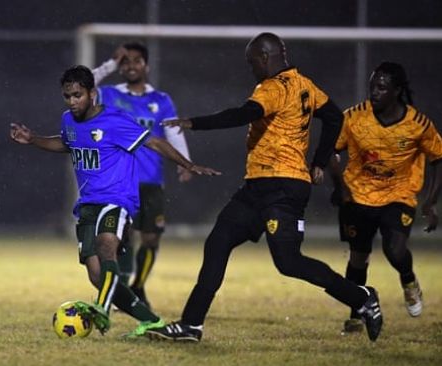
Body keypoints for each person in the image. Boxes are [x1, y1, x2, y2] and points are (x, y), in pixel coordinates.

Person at [145, 32, 384, 342]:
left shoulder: (272, 88)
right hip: (258, 187)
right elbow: (334, 117)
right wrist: (320, 162)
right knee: (218, 242)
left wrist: (194, 123)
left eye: (251, 62)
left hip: (283, 190)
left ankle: (361, 298)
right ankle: (191, 325)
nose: (250, 69)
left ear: (264, 57)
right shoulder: (305, 85)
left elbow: (244, 114)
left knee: (288, 261)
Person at [10, 65, 220, 337]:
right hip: (87, 205)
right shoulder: (68, 120)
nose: (73, 102)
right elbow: (66, 143)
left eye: (78, 95)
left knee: (107, 244)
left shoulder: (115, 120)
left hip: (118, 199)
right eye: (67, 96)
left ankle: (101, 310)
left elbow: (154, 143)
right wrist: (33, 140)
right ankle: (151, 321)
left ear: (92, 93)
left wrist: (187, 164)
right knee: (97, 275)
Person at [329, 61, 442, 333]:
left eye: (381, 87)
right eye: (372, 87)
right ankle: (357, 315)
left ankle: (409, 280)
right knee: (358, 258)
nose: (374, 92)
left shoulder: (417, 124)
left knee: (395, 249)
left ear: (397, 91)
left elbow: (438, 157)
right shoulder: (354, 117)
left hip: (398, 195)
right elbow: (330, 150)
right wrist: (340, 186)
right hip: (358, 195)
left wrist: (430, 201)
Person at [91, 42, 192, 308]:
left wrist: (185, 162)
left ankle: (138, 286)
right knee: (119, 237)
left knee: (151, 238)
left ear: (146, 65)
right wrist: (110, 64)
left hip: (151, 180)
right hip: (120, 181)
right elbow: (83, 84)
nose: (131, 66)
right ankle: (118, 292)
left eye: (136, 61)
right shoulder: (110, 95)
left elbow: (172, 132)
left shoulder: (161, 100)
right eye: (126, 62)